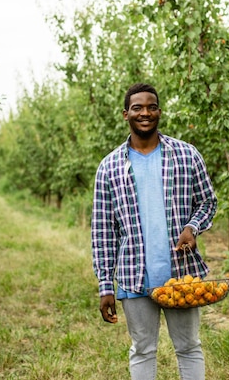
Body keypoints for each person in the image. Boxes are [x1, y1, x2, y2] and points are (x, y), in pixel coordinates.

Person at [91, 83, 217, 380]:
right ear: (126, 114)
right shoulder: (109, 167)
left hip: (180, 274)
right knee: (143, 349)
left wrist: (192, 227)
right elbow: (103, 231)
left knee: (188, 347)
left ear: (159, 111)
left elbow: (208, 201)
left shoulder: (186, 155)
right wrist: (105, 286)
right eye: (137, 108)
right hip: (135, 276)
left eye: (151, 107)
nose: (145, 113)